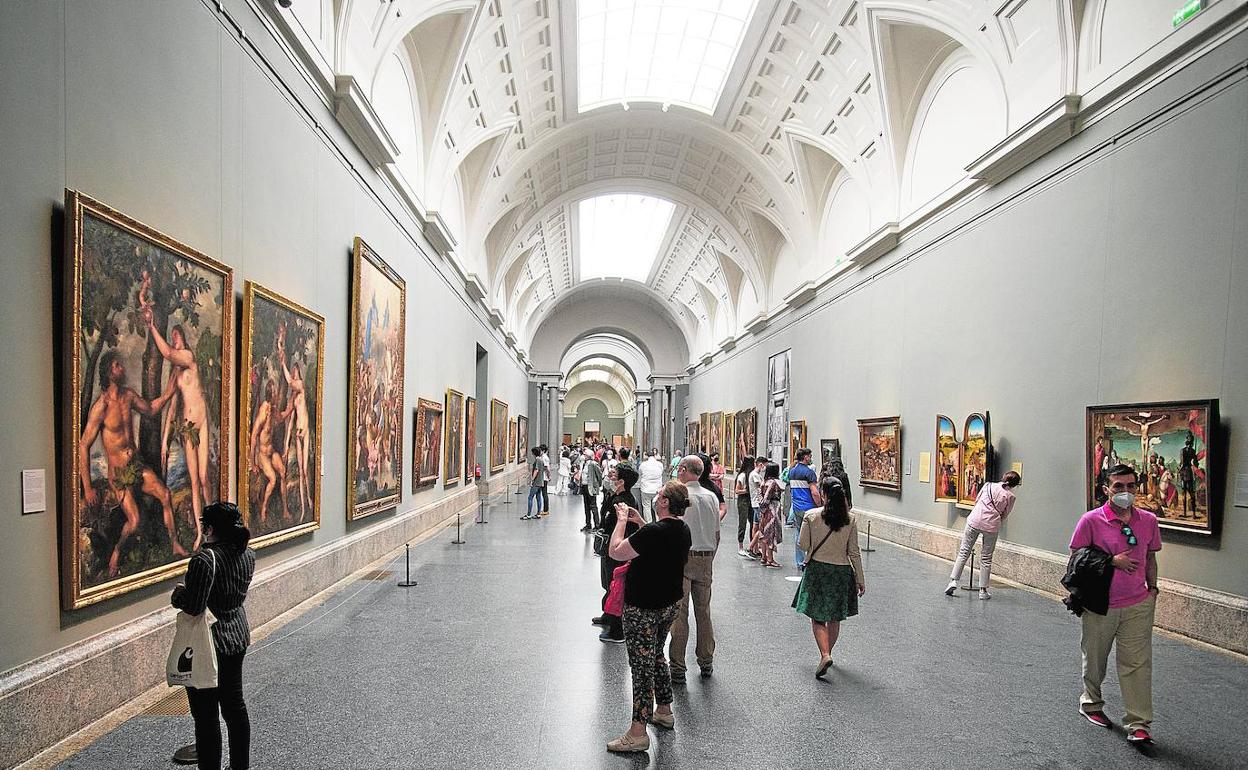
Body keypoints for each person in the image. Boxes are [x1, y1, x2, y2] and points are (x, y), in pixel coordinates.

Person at [1069, 464, 1162, 746]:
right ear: (1105, 489)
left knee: (1137, 663)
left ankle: (1138, 722)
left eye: (1131, 486)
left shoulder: (1148, 521)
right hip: (1100, 603)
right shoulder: (1091, 521)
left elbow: (1150, 558)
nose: (1125, 492)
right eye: (1118, 486)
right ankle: (1092, 704)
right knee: (1095, 657)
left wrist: (1152, 589)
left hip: (1138, 603)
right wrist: (1111, 561)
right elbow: (1077, 559)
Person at [79, 351, 186, 575]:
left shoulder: (128, 396)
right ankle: (117, 552)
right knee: (134, 521)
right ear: (109, 371)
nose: (122, 369)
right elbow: (82, 446)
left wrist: (169, 390)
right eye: (118, 365)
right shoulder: (102, 406)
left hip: (136, 466)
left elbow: (151, 409)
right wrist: (88, 488)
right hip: (119, 475)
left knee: (165, 495)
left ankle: (175, 544)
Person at [604, 482, 692, 753]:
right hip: (668, 604)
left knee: (641, 668)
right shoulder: (681, 529)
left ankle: (638, 732)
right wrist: (640, 521)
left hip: (643, 607)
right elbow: (655, 539)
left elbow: (616, 551)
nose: (657, 497)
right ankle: (664, 710)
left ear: (664, 503)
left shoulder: (655, 531)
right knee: (656, 656)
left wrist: (621, 521)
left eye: (661, 494)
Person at [171, 501, 256, 770]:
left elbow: (194, 605)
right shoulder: (248, 554)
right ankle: (240, 765)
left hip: (209, 641)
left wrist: (177, 595)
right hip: (237, 633)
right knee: (234, 705)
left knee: (206, 714)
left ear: (208, 527)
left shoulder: (205, 560)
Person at [792, 479, 865, 678]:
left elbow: (803, 544)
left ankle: (824, 654)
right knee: (834, 616)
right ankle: (829, 653)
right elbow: (854, 552)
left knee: (817, 616)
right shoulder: (850, 519)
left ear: (823, 494)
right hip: (841, 572)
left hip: (818, 569)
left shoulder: (811, 516)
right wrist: (860, 579)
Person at [667, 455, 722, 683]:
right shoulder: (711, 497)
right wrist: (709, 557)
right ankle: (706, 660)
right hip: (706, 557)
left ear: (683, 470)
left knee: (679, 613)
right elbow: (717, 534)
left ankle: (678, 666)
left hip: (682, 558)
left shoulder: (680, 497)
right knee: (704, 611)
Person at [945, 471, 1022, 599]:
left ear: (1004, 477)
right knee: (986, 558)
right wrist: (994, 520)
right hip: (991, 526)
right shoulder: (1011, 497)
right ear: (1015, 485)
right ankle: (983, 591)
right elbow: (1005, 514)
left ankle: (953, 581)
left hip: (974, 520)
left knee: (964, 551)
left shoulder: (988, 486)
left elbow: (977, 500)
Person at [595, 464, 640, 643]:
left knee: (615, 585)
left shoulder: (624, 501)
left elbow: (610, 520)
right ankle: (607, 615)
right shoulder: (616, 496)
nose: (610, 478)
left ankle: (617, 629)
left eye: (614, 476)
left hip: (618, 547)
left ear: (621, 481)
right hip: (610, 546)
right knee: (607, 581)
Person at [787, 448, 822, 568]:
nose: (811, 457)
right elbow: (815, 492)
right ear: (805, 457)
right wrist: (820, 505)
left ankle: (799, 561)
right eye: (810, 455)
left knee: (798, 533)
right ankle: (810, 560)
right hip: (809, 507)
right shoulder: (809, 472)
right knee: (812, 534)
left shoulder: (792, 471)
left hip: (796, 506)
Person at [751, 462, 784, 568]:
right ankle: (770, 559)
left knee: (763, 533)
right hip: (772, 509)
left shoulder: (764, 482)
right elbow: (767, 498)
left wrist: (762, 509)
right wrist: (765, 508)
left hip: (764, 511)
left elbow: (760, 495)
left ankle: (764, 557)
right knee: (771, 533)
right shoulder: (774, 483)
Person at [733, 456, 755, 556]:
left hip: (751, 500)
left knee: (753, 522)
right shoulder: (742, 475)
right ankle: (740, 546)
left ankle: (752, 544)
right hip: (744, 500)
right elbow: (737, 490)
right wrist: (747, 491)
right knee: (742, 522)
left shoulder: (751, 475)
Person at [746, 456, 766, 559]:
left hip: (756, 503)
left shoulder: (756, 474)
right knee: (760, 526)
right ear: (760, 464)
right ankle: (751, 547)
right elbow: (761, 486)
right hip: (758, 503)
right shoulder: (755, 475)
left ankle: (755, 548)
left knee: (756, 526)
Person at [637, 449, 665, 522]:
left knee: (646, 507)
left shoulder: (643, 464)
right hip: (657, 489)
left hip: (645, 488)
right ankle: (658, 521)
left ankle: (648, 523)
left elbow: (640, 474)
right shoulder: (660, 464)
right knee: (657, 506)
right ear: (654, 455)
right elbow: (661, 472)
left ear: (646, 456)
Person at [580, 450, 604, 532]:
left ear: (589, 456)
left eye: (585, 455)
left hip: (590, 488)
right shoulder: (584, 464)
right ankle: (588, 524)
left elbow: (599, 475)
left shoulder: (593, 464)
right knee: (586, 507)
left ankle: (597, 525)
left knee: (593, 506)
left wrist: (598, 485)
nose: (584, 456)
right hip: (584, 487)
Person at [522, 447, 544, 521]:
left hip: (536, 482)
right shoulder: (541, 460)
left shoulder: (537, 460)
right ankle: (538, 514)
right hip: (540, 482)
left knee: (530, 497)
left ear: (534, 453)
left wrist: (532, 480)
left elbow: (536, 470)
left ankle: (528, 515)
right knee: (538, 498)